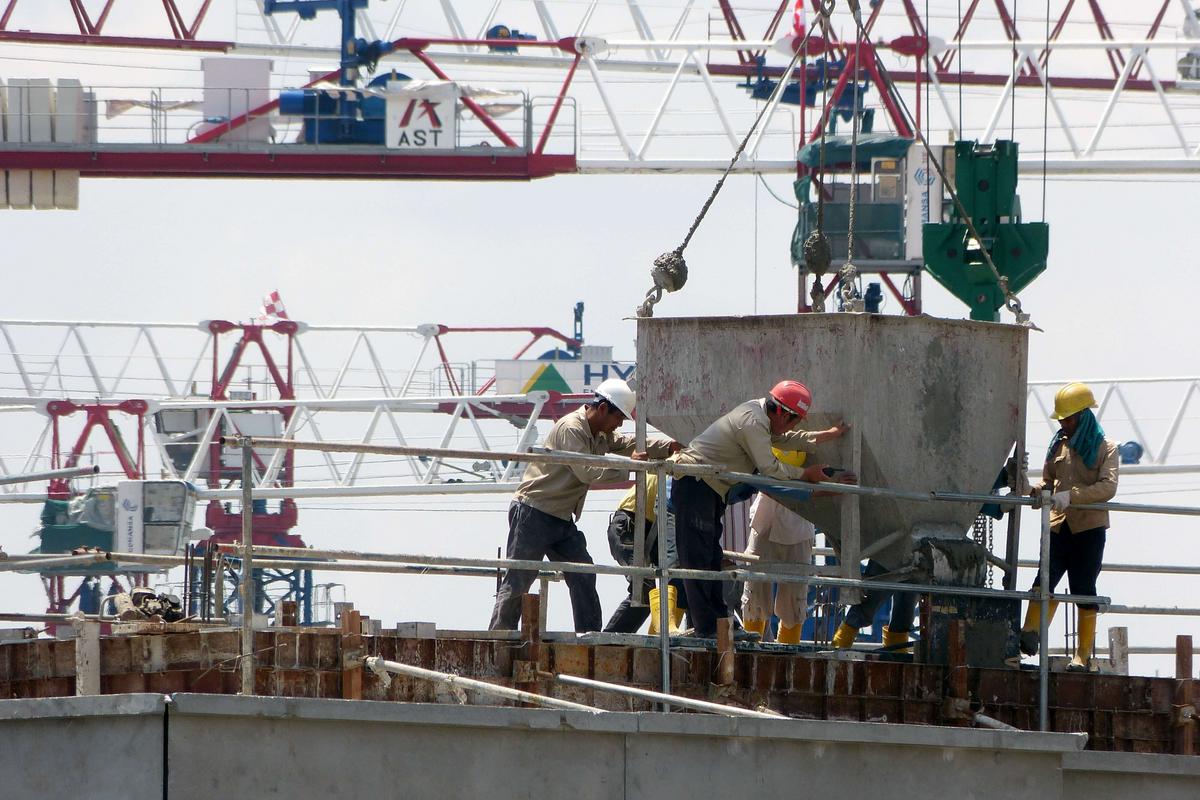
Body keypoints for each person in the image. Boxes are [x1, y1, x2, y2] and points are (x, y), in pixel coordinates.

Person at [488, 378, 680, 632]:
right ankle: (499, 637)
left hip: (560, 517)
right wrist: (632, 468)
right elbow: (588, 472)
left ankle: (589, 636)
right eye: (618, 418)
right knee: (520, 577)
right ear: (602, 409)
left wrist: (668, 448)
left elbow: (628, 445)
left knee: (583, 573)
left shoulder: (599, 432)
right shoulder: (572, 428)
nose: (619, 424)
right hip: (534, 512)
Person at [670, 380, 854, 640]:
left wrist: (826, 436)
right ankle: (707, 628)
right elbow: (770, 469)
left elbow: (787, 439)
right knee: (698, 559)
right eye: (794, 420)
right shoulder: (752, 422)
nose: (794, 427)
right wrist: (806, 475)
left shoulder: (762, 418)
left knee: (711, 558)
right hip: (695, 484)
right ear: (780, 411)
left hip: (710, 488)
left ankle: (721, 624)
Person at [1019, 381, 1119, 672]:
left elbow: (1107, 487)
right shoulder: (1058, 446)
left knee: (1083, 587)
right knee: (1043, 580)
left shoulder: (1106, 448)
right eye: (1062, 419)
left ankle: (1083, 655)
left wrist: (1070, 497)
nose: (1064, 423)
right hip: (1058, 526)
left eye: (1069, 418)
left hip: (1089, 528)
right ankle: (1029, 634)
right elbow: (1048, 481)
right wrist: (1035, 490)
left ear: (1084, 417)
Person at [741, 448, 843, 644]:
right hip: (766, 521)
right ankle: (748, 650)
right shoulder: (769, 433)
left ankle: (788, 653)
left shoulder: (808, 441)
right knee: (755, 593)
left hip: (799, 524)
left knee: (795, 601)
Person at [601, 473, 688, 634]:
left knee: (674, 581)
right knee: (644, 587)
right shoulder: (673, 464)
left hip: (653, 529)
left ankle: (657, 634)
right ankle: (613, 639)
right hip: (629, 524)